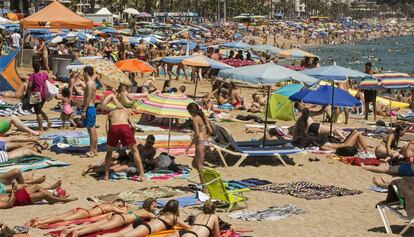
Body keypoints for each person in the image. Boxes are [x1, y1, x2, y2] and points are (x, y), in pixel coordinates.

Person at [64, 198, 157, 237]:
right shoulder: (148, 213)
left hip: (116, 216)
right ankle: (78, 232)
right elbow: (156, 218)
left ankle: (72, 229)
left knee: (96, 224)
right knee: (99, 227)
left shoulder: (139, 209)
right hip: (120, 219)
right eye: (154, 206)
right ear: (149, 206)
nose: (155, 208)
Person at [100, 200, 191, 237]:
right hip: (146, 228)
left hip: (143, 224)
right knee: (124, 236)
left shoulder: (162, 213)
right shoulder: (174, 217)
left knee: (119, 234)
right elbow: (188, 227)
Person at [104, 108, 144, 181]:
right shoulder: (127, 111)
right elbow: (133, 126)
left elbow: (107, 128)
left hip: (114, 128)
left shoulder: (110, 113)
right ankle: (141, 174)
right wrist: (132, 136)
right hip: (125, 128)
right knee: (135, 151)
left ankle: (106, 175)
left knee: (109, 152)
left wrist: (109, 138)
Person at [27, 200, 126, 227]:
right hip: (85, 213)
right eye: (120, 204)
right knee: (62, 219)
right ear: (115, 202)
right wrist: (126, 207)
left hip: (80, 209)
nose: (119, 206)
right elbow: (123, 212)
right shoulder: (112, 207)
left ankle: (38, 219)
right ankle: (38, 222)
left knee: (58, 215)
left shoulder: (105, 204)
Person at [186, 103, 212, 183]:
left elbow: (197, 134)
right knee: (194, 164)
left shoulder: (195, 119)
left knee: (199, 166)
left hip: (200, 143)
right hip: (206, 143)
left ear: (190, 111)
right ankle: (206, 179)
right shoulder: (203, 117)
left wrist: (190, 145)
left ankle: (204, 186)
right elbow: (210, 131)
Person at [0, 183, 77, 209]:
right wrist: (13, 190)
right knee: (43, 195)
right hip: (18, 200)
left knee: (36, 186)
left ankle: (55, 197)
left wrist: (13, 191)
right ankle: (63, 200)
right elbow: (9, 204)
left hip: (15, 195)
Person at [27, 62, 51, 132]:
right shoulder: (44, 74)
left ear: (33, 68)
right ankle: (48, 120)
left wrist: (28, 92)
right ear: (40, 67)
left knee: (37, 112)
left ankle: (41, 128)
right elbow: (48, 81)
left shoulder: (32, 75)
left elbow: (30, 85)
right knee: (39, 109)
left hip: (36, 94)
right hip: (43, 94)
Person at [82, 66, 98, 157]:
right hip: (92, 108)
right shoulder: (92, 83)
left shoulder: (89, 84)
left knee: (91, 130)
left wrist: (84, 110)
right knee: (93, 129)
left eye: (83, 72)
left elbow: (88, 98)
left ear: (86, 73)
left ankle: (91, 151)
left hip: (89, 108)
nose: (82, 74)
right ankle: (95, 150)